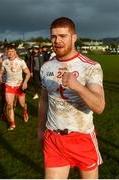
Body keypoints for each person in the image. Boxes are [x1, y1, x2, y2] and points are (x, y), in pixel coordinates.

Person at [38, 17, 105, 179]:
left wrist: (78, 87)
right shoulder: (46, 67)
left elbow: (99, 106)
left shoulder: (90, 67)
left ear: (74, 37)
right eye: (53, 36)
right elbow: (44, 100)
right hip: (54, 138)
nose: (57, 41)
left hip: (82, 137)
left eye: (63, 36)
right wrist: (40, 128)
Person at [0, 44, 31, 131]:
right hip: (9, 85)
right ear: (6, 52)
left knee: (22, 104)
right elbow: (0, 73)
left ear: (15, 52)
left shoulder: (21, 61)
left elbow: (27, 73)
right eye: (9, 51)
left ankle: (25, 111)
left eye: (12, 51)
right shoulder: (4, 62)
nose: (10, 53)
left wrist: (25, 82)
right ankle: (12, 124)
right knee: (9, 105)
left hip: (19, 86)